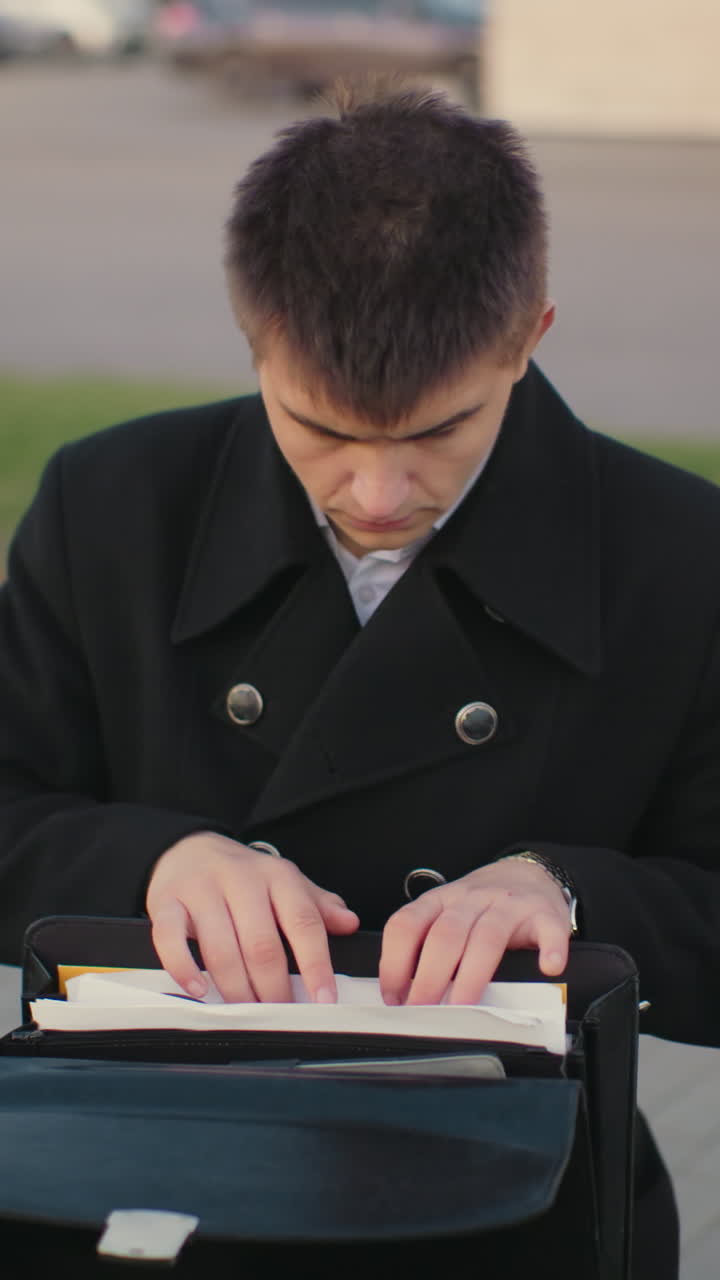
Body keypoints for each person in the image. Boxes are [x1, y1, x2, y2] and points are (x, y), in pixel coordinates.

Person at [1, 80, 719, 1275]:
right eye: (321, 428)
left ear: (529, 335)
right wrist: (153, 863)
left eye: (438, 430)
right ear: (255, 338)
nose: (377, 494)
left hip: (515, 1207)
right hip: (136, 1189)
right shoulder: (110, 505)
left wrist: (571, 894)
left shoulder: (682, 552)